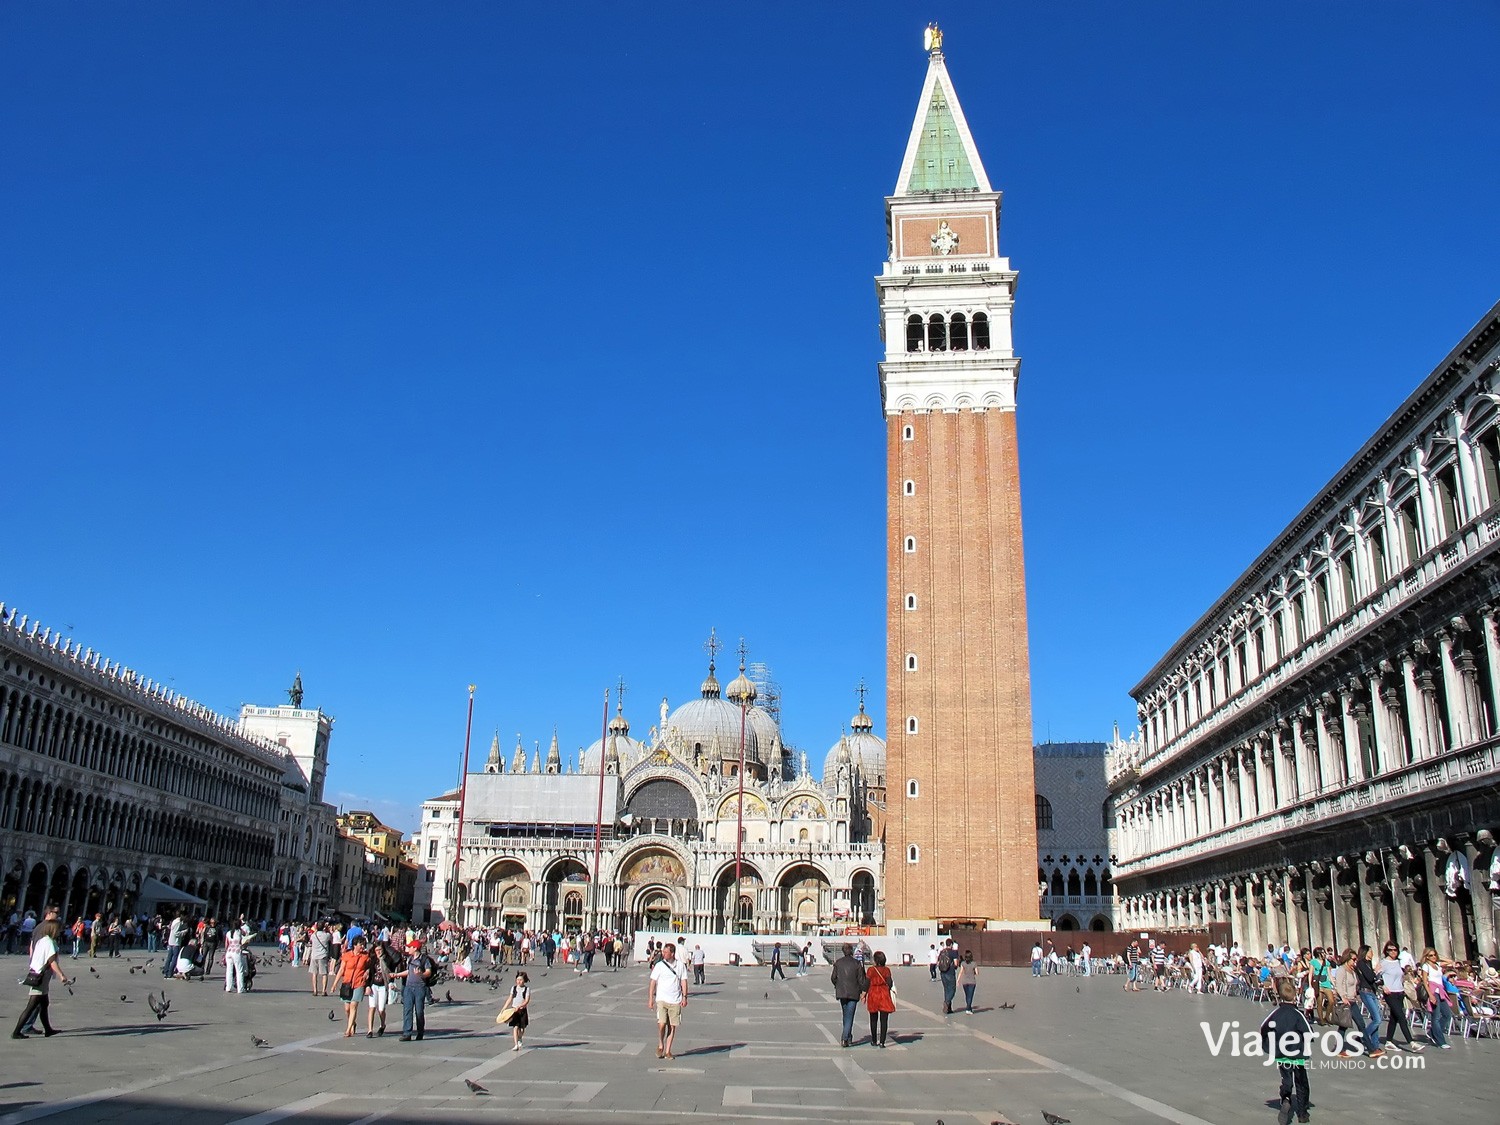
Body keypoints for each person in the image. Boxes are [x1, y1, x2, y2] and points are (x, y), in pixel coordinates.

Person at [1259, 977, 1313, 1125]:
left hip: (1282, 1054)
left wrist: (1269, 1042)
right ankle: (1302, 1113)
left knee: (1287, 1079)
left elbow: (1263, 1028)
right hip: (1297, 1054)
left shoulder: (1276, 1014)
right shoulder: (1298, 1014)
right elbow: (1308, 1032)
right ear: (1294, 996)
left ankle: (1286, 1097)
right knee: (1301, 1082)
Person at [12, 910, 70, 1039]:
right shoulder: (50, 942)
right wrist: (61, 975)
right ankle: (16, 1032)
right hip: (41, 977)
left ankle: (48, 1029)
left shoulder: (42, 941)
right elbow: (52, 961)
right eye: (58, 929)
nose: (60, 932)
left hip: (37, 973)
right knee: (31, 1006)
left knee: (44, 1004)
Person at [1377, 942, 1422, 1051]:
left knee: (1394, 1017)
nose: (1393, 952)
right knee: (1401, 1017)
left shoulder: (1398, 962)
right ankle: (1411, 1042)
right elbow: (1376, 977)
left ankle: (1388, 1041)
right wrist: (1383, 986)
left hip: (1400, 992)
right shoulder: (1383, 963)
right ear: (1386, 951)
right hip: (1390, 993)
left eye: (1395, 950)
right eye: (1390, 950)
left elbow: (1400, 976)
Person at [647, 941, 689, 1060]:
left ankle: (668, 1051)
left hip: (675, 999)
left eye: (666, 952)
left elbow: (684, 981)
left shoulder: (680, 966)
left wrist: (685, 997)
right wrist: (650, 999)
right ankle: (661, 1043)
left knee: (672, 1026)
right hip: (661, 999)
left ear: (672, 953)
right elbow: (652, 982)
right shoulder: (660, 965)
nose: (664, 954)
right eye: (663, 952)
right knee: (662, 1024)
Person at [830, 943, 867, 1047]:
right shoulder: (856, 963)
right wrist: (863, 991)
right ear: (851, 951)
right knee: (849, 1016)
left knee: (846, 1015)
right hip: (853, 992)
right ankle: (845, 1038)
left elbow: (833, 978)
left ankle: (848, 1037)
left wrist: (838, 984)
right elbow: (861, 979)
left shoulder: (838, 963)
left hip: (841, 992)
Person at [399, 939, 433, 1042]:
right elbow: (408, 972)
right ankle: (407, 1033)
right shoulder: (409, 959)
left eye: (410, 947)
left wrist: (421, 974)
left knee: (419, 1011)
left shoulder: (424, 960)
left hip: (420, 988)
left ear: (415, 948)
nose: (408, 948)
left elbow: (429, 972)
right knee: (407, 1010)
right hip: (409, 987)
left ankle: (420, 1032)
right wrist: (396, 974)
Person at [1419, 948, 1453, 1049]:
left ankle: (1433, 1032)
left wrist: (1439, 958)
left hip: (1441, 991)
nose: (1433, 957)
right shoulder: (1426, 966)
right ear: (1426, 957)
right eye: (1431, 955)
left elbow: (1450, 962)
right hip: (1433, 992)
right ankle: (1440, 1041)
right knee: (1436, 1016)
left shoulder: (1438, 965)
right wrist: (1430, 995)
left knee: (1447, 1015)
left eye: (1434, 955)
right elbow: (1425, 981)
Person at [339, 935, 370, 1038]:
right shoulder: (347, 955)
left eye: (363, 945)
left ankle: (348, 1029)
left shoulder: (366, 956)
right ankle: (352, 1022)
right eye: (361, 944)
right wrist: (335, 983)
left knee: (353, 1005)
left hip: (359, 983)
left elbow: (370, 966)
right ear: (355, 945)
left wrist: (367, 972)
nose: (362, 947)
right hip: (347, 983)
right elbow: (341, 969)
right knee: (347, 1008)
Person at [366, 939, 397, 1037]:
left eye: (380, 950)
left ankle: (382, 1025)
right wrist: (367, 986)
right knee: (372, 1007)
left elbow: (390, 973)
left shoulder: (388, 960)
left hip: (383, 986)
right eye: (376, 950)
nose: (378, 952)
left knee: (381, 1009)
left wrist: (391, 983)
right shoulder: (373, 959)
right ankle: (370, 1030)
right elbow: (370, 974)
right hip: (374, 985)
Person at [865, 950, 895, 1047]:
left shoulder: (870, 970)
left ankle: (874, 1040)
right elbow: (889, 983)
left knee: (873, 1019)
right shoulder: (886, 970)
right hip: (883, 994)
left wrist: (864, 994)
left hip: (873, 994)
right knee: (884, 1020)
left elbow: (866, 983)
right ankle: (882, 1042)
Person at [502, 970, 531, 1051]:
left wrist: (521, 1006)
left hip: (522, 1011)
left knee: (522, 1028)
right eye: (517, 979)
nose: (519, 981)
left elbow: (527, 1000)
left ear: (524, 980)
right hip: (514, 1011)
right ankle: (515, 1044)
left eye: (521, 980)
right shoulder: (513, 988)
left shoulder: (526, 989)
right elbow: (510, 998)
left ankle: (520, 1038)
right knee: (515, 1027)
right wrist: (504, 1008)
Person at [308, 922, 334, 997]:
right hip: (323, 956)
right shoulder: (327, 935)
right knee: (324, 974)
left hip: (314, 956)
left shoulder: (313, 935)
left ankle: (315, 990)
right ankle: (323, 991)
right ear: (324, 927)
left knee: (314, 973)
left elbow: (311, 940)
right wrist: (327, 930)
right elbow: (331, 939)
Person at [223, 920, 248, 994]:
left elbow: (226, 944)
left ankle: (228, 987)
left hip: (229, 952)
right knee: (239, 971)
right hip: (236, 952)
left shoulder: (228, 933)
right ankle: (240, 988)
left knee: (229, 971)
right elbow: (245, 935)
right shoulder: (239, 932)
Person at [936, 941, 958, 1014]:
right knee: (952, 989)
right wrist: (955, 967)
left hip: (943, 973)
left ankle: (948, 1009)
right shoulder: (954, 952)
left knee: (946, 989)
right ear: (951, 944)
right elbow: (956, 964)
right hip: (950, 973)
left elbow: (938, 962)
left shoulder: (942, 952)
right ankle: (947, 1002)